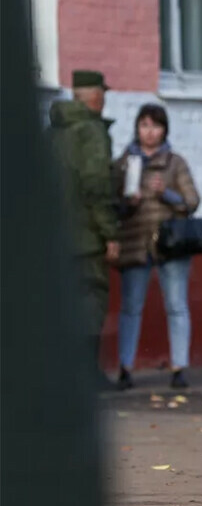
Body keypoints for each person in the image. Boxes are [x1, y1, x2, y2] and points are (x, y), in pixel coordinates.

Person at [113, 104, 200, 390]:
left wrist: (168, 194)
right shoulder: (124, 163)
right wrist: (129, 202)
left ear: (164, 130)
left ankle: (179, 368)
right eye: (144, 125)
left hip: (170, 245)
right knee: (130, 308)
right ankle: (125, 368)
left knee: (176, 306)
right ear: (137, 128)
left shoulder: (175, 162)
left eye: (155, 126)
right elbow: (112, 207)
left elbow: (192, 201)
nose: (149, 132)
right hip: (135, 243)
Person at [49, 70, 119, 384]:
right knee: (91, 300)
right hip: (86, 237)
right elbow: (97, 187)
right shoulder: (91, 132)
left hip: (54, 237)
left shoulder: (52, 132)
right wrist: (110, 234)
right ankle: (86, 374)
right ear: (95, 96)